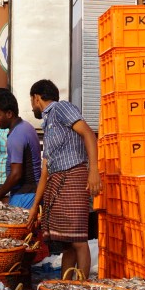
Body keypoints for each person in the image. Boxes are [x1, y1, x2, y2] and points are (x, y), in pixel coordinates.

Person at [30, 79, 100, 279]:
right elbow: (45, 169)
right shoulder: (48, 124)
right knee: (67, 242)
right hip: (57, 181)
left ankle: (82, 288)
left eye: (32, 101)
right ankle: (65, 286)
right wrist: (35, 206)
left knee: (78, 239)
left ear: (36, 98)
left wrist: (93, 170)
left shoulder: (61, 108)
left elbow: (88, 134)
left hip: (74, 177)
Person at [0, 88, 41, 208]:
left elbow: (16, 174)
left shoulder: (16, 135)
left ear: (9, 114)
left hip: (25, 196)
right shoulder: (26, 127)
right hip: (31, 193)